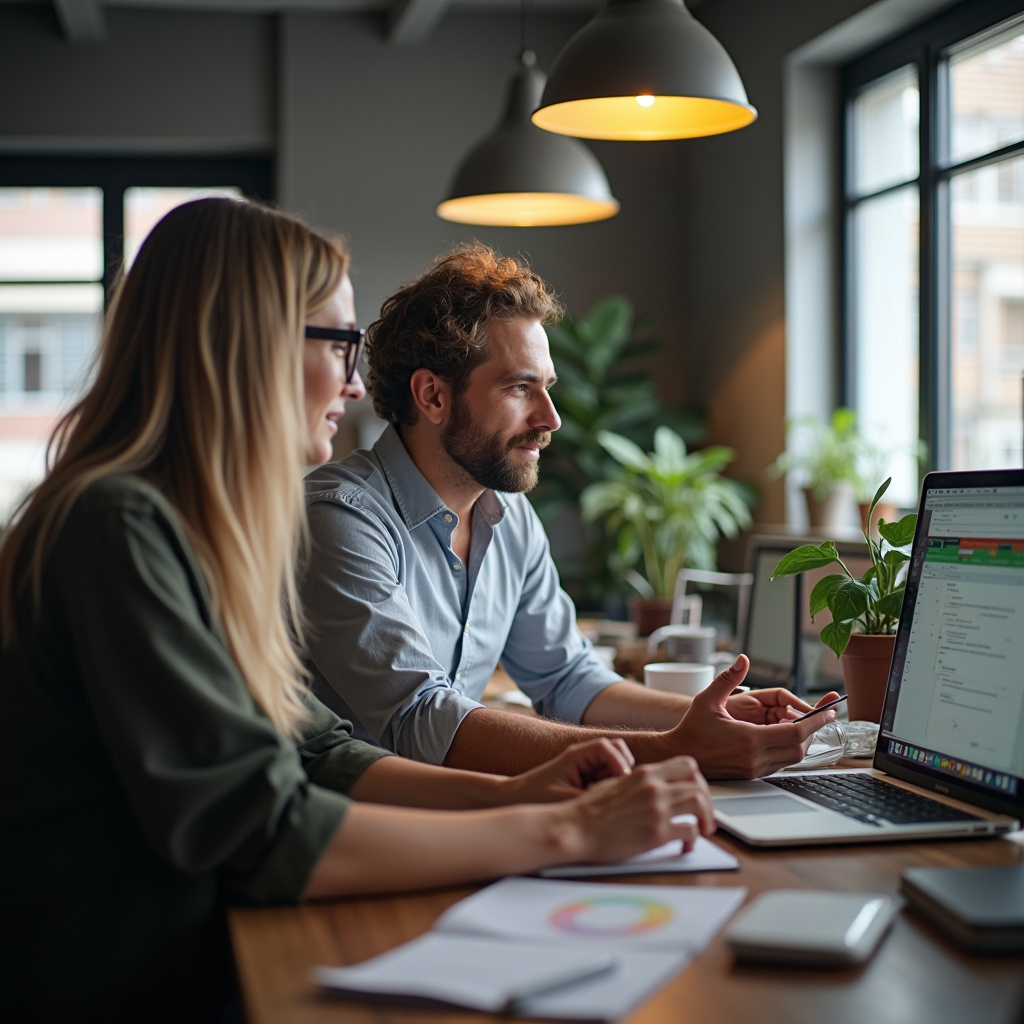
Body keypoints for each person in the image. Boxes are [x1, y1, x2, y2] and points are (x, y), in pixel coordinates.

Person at [0, 199, 715, 1024]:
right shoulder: (118, 528)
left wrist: (530, 793)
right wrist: (569, 833)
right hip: (129, 987)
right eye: (338, 343)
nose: (352, 381)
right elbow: (267, 831)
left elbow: (315, 748)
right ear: (248, 345)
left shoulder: (189, 531)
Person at [301, 243, 839, 779]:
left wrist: (712, 716)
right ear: (433, 396)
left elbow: (568, 678)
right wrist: (680, 748)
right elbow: (422, 720)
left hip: (456, 807)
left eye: (547, 388)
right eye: (520, 388)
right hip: (352, 818)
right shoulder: (339, 519)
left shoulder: (509, 518)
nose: (551, 418)